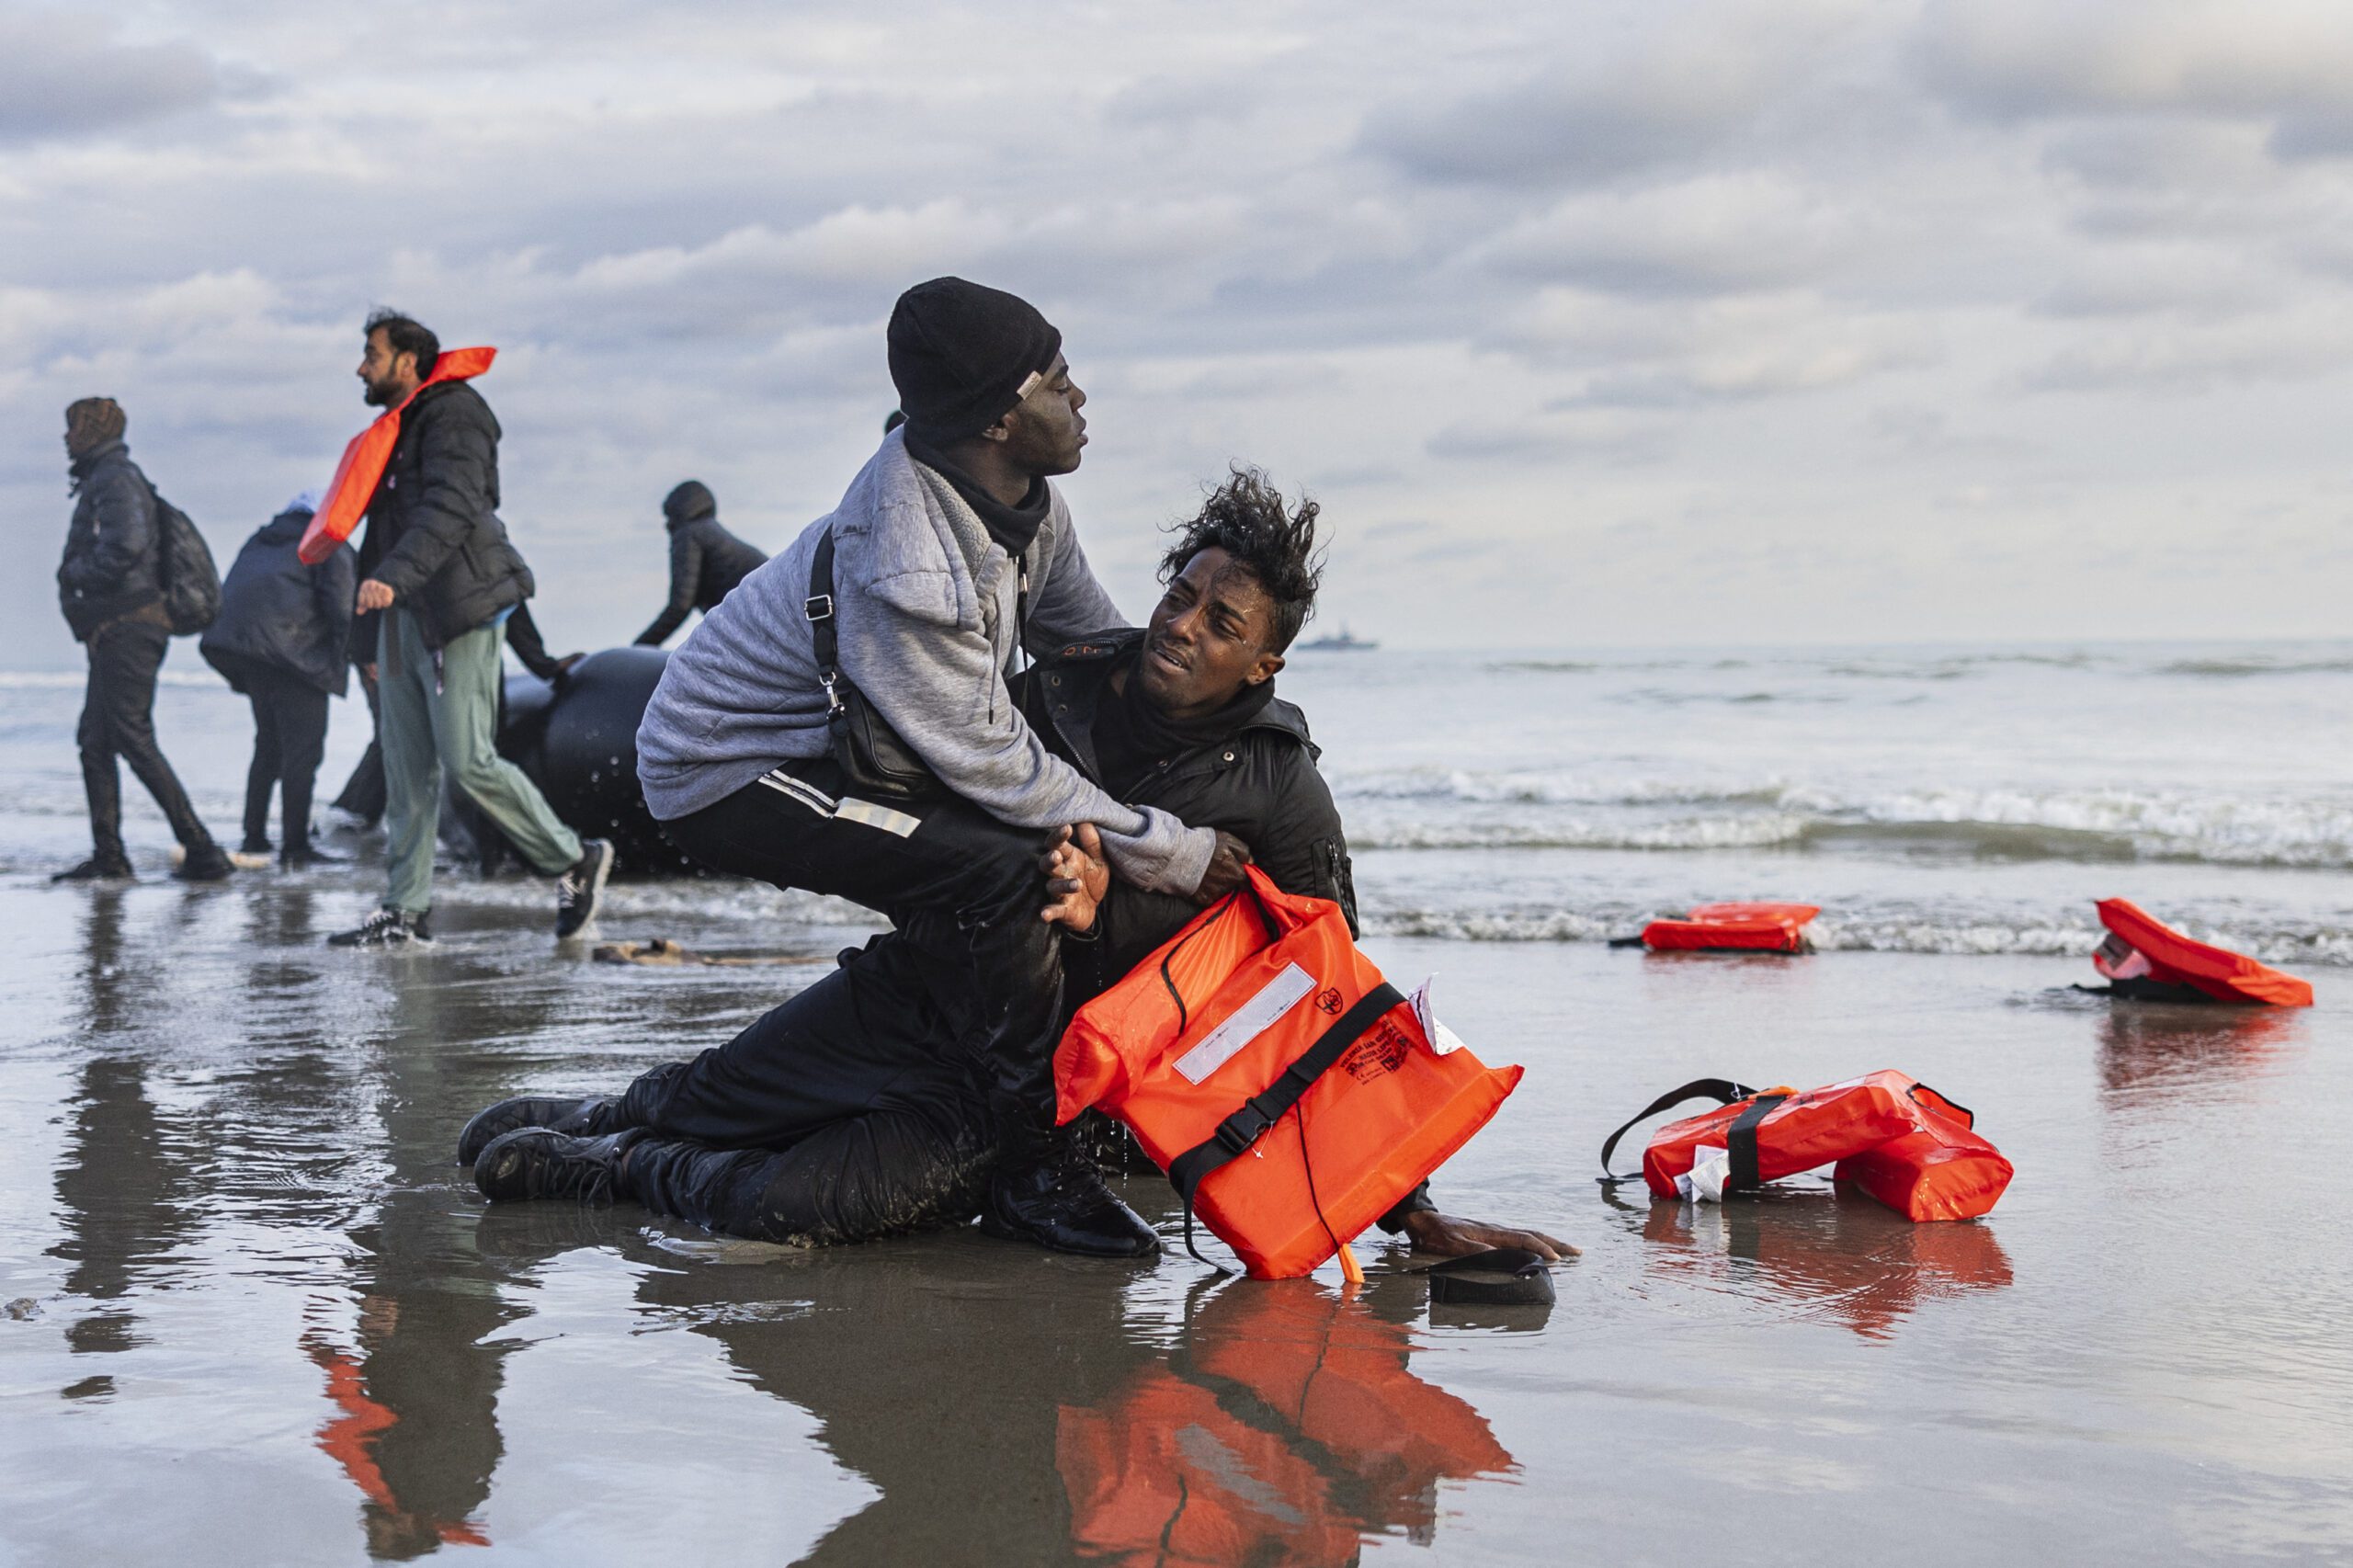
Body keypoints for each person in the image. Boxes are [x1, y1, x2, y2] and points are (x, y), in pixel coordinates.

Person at [462, 471, 1571, 1267]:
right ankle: (621, 1112)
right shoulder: (1053, 694)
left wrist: (1410, 1210)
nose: (1179, 624)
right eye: (1178, 593)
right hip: (916, 993)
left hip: (1039, 1084)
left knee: (793, 1202)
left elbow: (1329, 1001)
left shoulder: (1280, 789)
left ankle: (612, 1168)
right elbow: (934, 847)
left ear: (1264, 660)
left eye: (1218, 618)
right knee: (710, 1095)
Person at [621, 277, 1245, 1255]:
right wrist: (1164, 847)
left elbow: (1089, 647)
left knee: (982, 889)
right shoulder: (905, 559)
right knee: (997, 869)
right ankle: (1035, 1167)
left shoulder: (1026, 502)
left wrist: (1235, 702)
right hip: (730, 764)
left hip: (851, 743)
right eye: (1060, 381)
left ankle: (732, 1095)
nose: (1080, 399)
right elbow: (994, 760)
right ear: (1001, 415)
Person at [326, 309, 611, 948]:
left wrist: (397, 577)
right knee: (406, 768)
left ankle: (573, 860)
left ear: (407, 360)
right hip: (398, 615)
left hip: (457, 607)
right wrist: (364, 639)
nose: (360, 367)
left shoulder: (457, 413)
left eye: (370, 354)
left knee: (466, 758)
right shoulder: (395, 430)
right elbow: (381, 537)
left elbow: (452, 507)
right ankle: (405, 910)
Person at [52, 397, 233, 883]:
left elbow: (126, 547)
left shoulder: (115, 477)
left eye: (72, 428)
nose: (66, 438)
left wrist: (75, 573)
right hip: (122, 628)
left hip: (130, 628)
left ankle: (201, 848)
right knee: (95, 740)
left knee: (130, 736)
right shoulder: (106, 477)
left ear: (92, 429)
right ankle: (110, 856)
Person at [199, 491, 357, 867]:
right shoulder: (327, 539)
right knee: (304, 752)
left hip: (247, 651)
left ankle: (254, 839)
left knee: (268, 745)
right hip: (294, 655)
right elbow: (342, 606)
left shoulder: (263, 539)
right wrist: (357, 655)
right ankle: (295, 847)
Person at [631, 481, 767, 647]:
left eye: (668, 517)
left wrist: (638, 649)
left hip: (755, 623)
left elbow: (680, 606)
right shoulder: (710, 531)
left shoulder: (689, 534)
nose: (666, 524)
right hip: (767, 619)